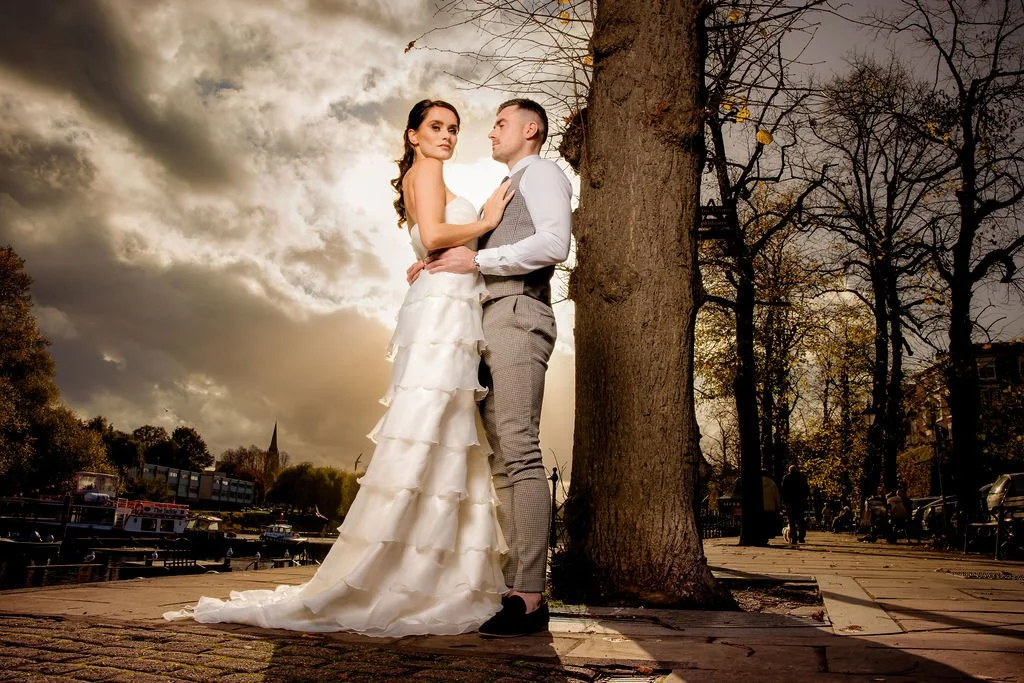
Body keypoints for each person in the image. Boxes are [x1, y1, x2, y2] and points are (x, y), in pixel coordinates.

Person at [163, 99, 515, 636]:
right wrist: (486, 219)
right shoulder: (425, 172)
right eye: (436, 127)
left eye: (453, 129)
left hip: (448, 308)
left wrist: (430, 251)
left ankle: (435, 573)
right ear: (413, 136)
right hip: (442, 317)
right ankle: (401, 572)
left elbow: (432, 235)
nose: (446, 136)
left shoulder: (432, 177)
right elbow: (438, 232)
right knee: (429, 429)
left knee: (446, 435)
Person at [415, 99, 572, 636]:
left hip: (518, 314)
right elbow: (469, 254)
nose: (489, 132)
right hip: (488, 320)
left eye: (500, 123)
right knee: (503, 458)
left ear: (531, 130)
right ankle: (515, 588)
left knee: (521, 452)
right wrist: (436, 261)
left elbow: (554, 242)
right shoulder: (504, 190)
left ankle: (530, 597)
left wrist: (477, 259)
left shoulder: (544, 172)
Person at [781, 464, 810, 544]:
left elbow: (783, 491)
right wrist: (805, 498)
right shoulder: (802, 477)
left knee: (792, 521)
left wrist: (784, 501)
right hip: (800, 501)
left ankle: (794, 538)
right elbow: (807, 489)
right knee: (801, 521)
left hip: (790, 502)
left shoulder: (786, 478)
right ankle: (801, 537)